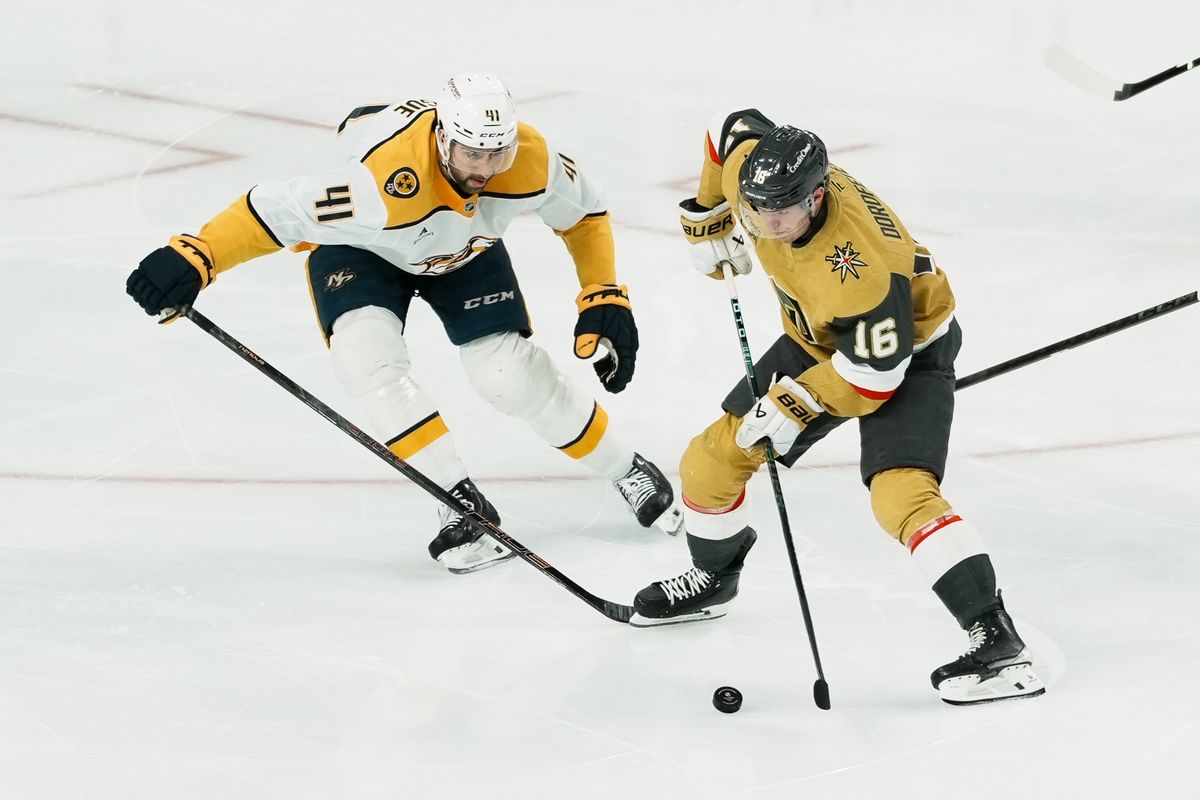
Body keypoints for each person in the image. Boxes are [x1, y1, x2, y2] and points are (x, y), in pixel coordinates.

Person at [125, 72, 682, 575]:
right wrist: (197, 255)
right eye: (472, 155)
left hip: (463, 248)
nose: (486, 171)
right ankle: (457, 499)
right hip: (362, 250)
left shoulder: (529, 158)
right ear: (442, 138)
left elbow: (584, 212)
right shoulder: (379, 181)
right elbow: (274, 209)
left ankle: (628, 469)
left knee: (508, 375)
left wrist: (602, 291)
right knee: (366, 358)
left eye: (497, 153)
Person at [630, 109, 1044, 706]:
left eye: (781, 213)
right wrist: (709, 218)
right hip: (820, 337)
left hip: (906, 352)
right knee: (709, 462)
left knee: (900, 494)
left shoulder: (858, 267)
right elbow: (732, 133)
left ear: (817, 196)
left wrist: (796, 403)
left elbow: (876, 374)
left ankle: (1000, 644)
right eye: (755, 209)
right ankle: (715, 581)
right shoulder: (757, 174)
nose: (767, 225)